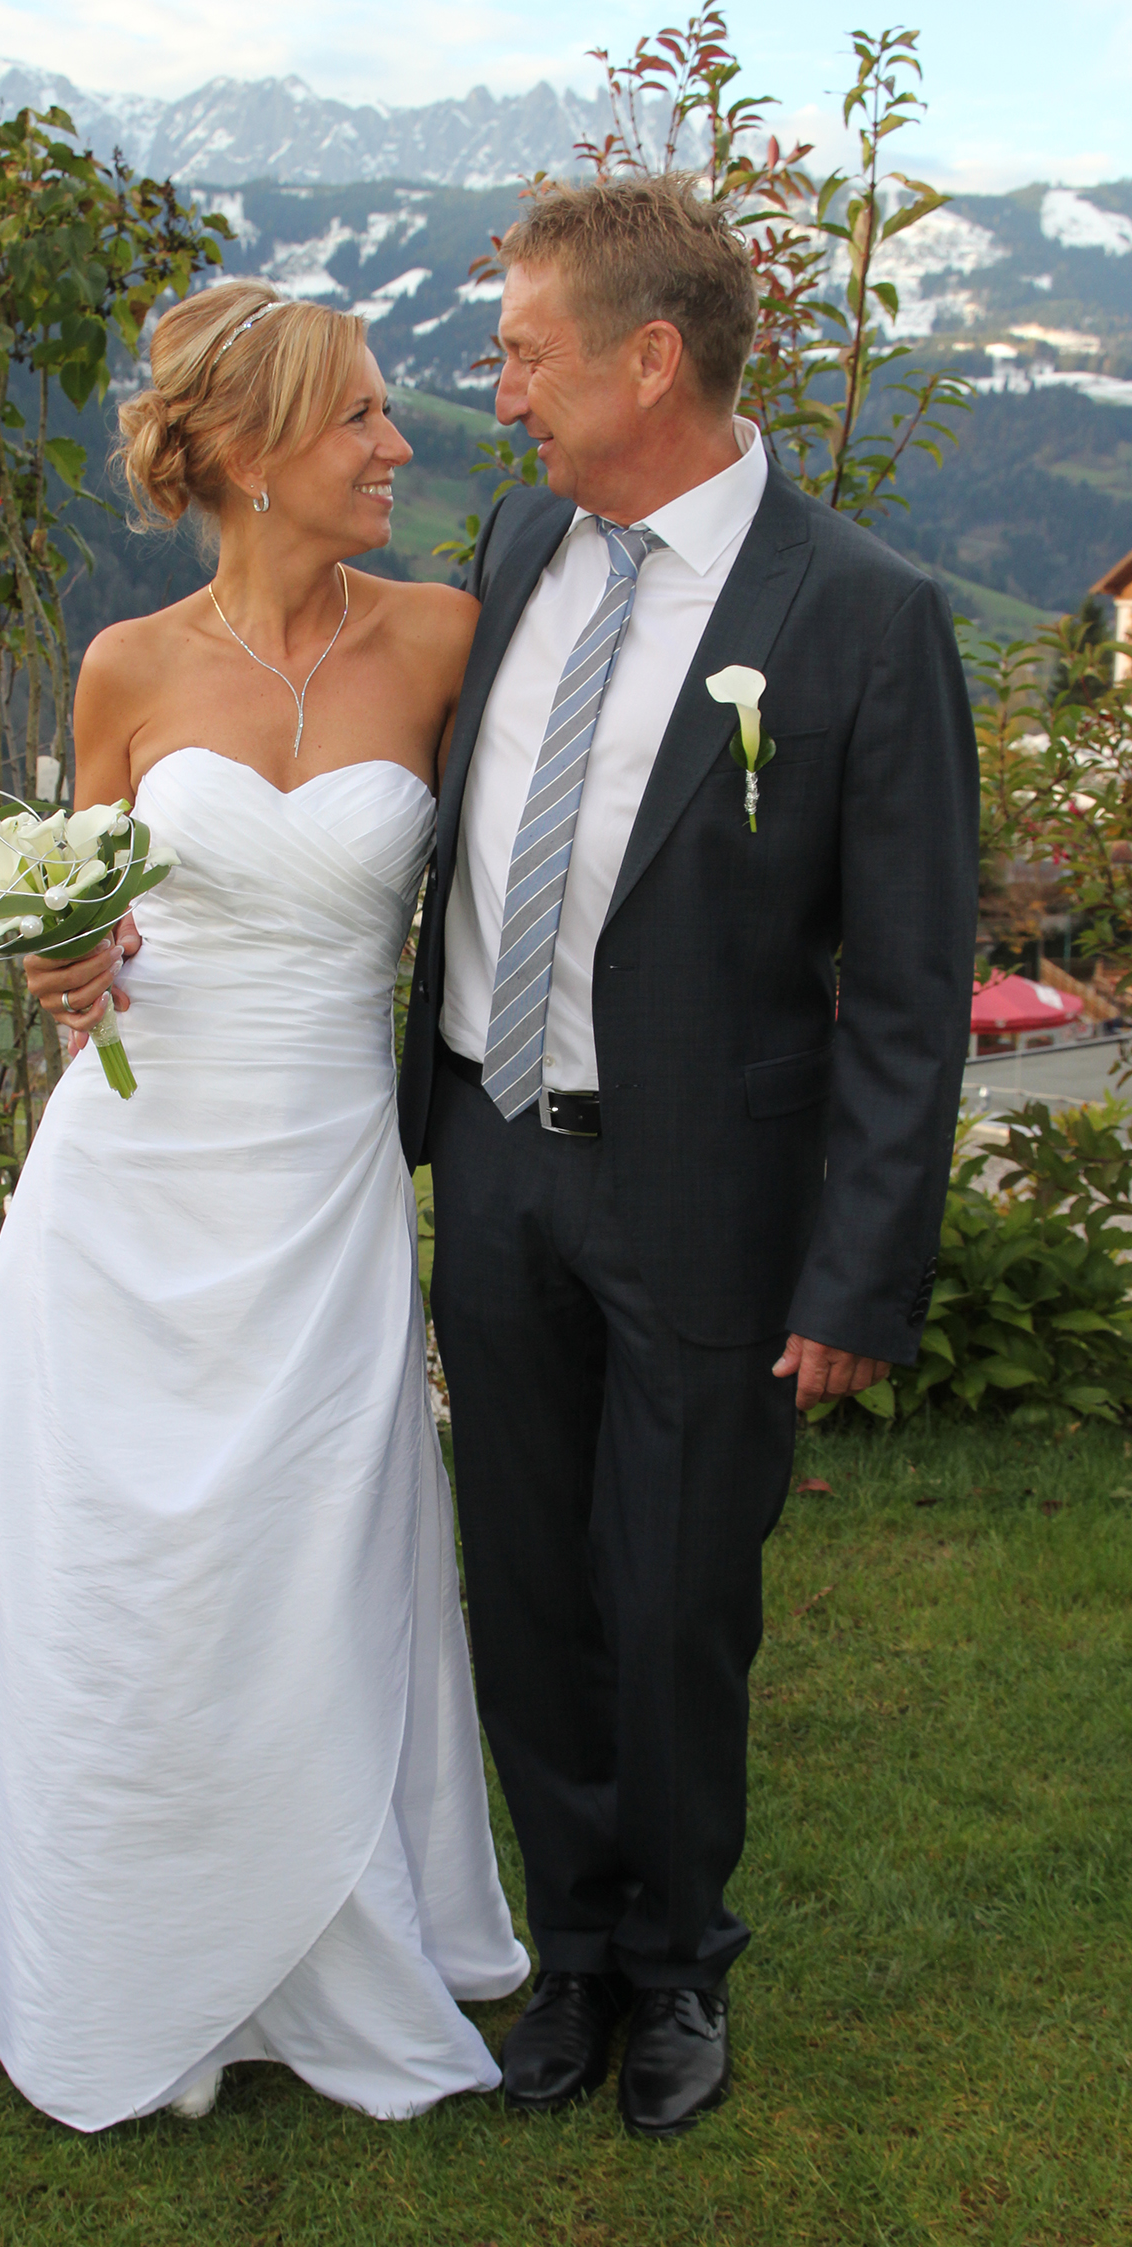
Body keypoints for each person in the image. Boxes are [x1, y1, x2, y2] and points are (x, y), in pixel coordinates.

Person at [0, 281, 528, 2132]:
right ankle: (117, 1945)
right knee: (120, 1561)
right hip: (130, 1189)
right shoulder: (126, 668)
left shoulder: (444, 638)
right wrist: (64, 962)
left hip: (321, 1182)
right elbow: (88, 905)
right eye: (359, 415)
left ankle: (333, 1935)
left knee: (313, 1549)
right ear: (246, 454)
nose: (398, 443)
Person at [397, 175, 978, 2138]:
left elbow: (909, 985)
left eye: (525, 356)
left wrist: (857, 1271)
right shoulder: (520, 541)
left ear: (650, 360)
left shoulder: (864, 615)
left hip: (709, 1202)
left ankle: (676, 1962)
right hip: (492, 1158)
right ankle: (568, 1950)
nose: (500, 394)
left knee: (671, 1602)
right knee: (523, 1583)